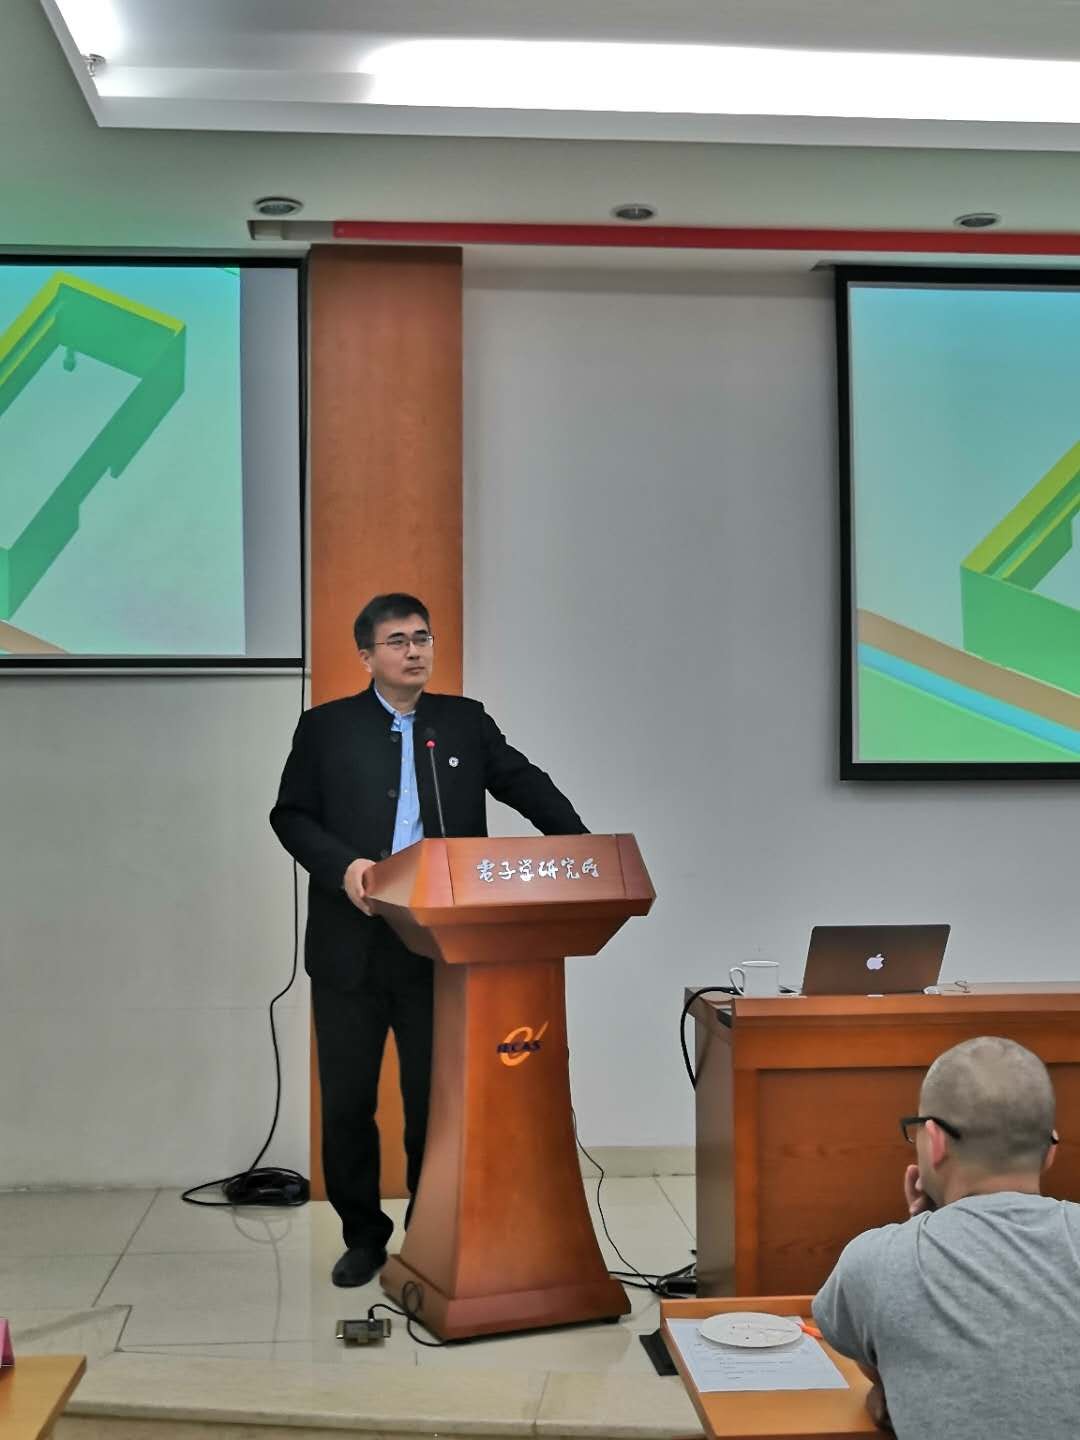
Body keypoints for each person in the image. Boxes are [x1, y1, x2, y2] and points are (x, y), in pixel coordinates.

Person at [270, 592, 586, 1286]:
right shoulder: (325, 728)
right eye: (397, 641)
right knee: (348, 1102)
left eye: (422, 637)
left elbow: (523, 783)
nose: (414, 651)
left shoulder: (463, 722)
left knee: (433, 1102)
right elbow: (289, 815)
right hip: (351, 944)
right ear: (366, 656)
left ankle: (429, 1231)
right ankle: (363, 1237)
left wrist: (582, 846)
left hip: (440, 946)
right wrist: (344, 866)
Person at [813, 1036, 1076, 1438]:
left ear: (934, 1142)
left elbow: (882, 1362)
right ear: (1050, 1150)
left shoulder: (876, 1262)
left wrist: (917, 1230)